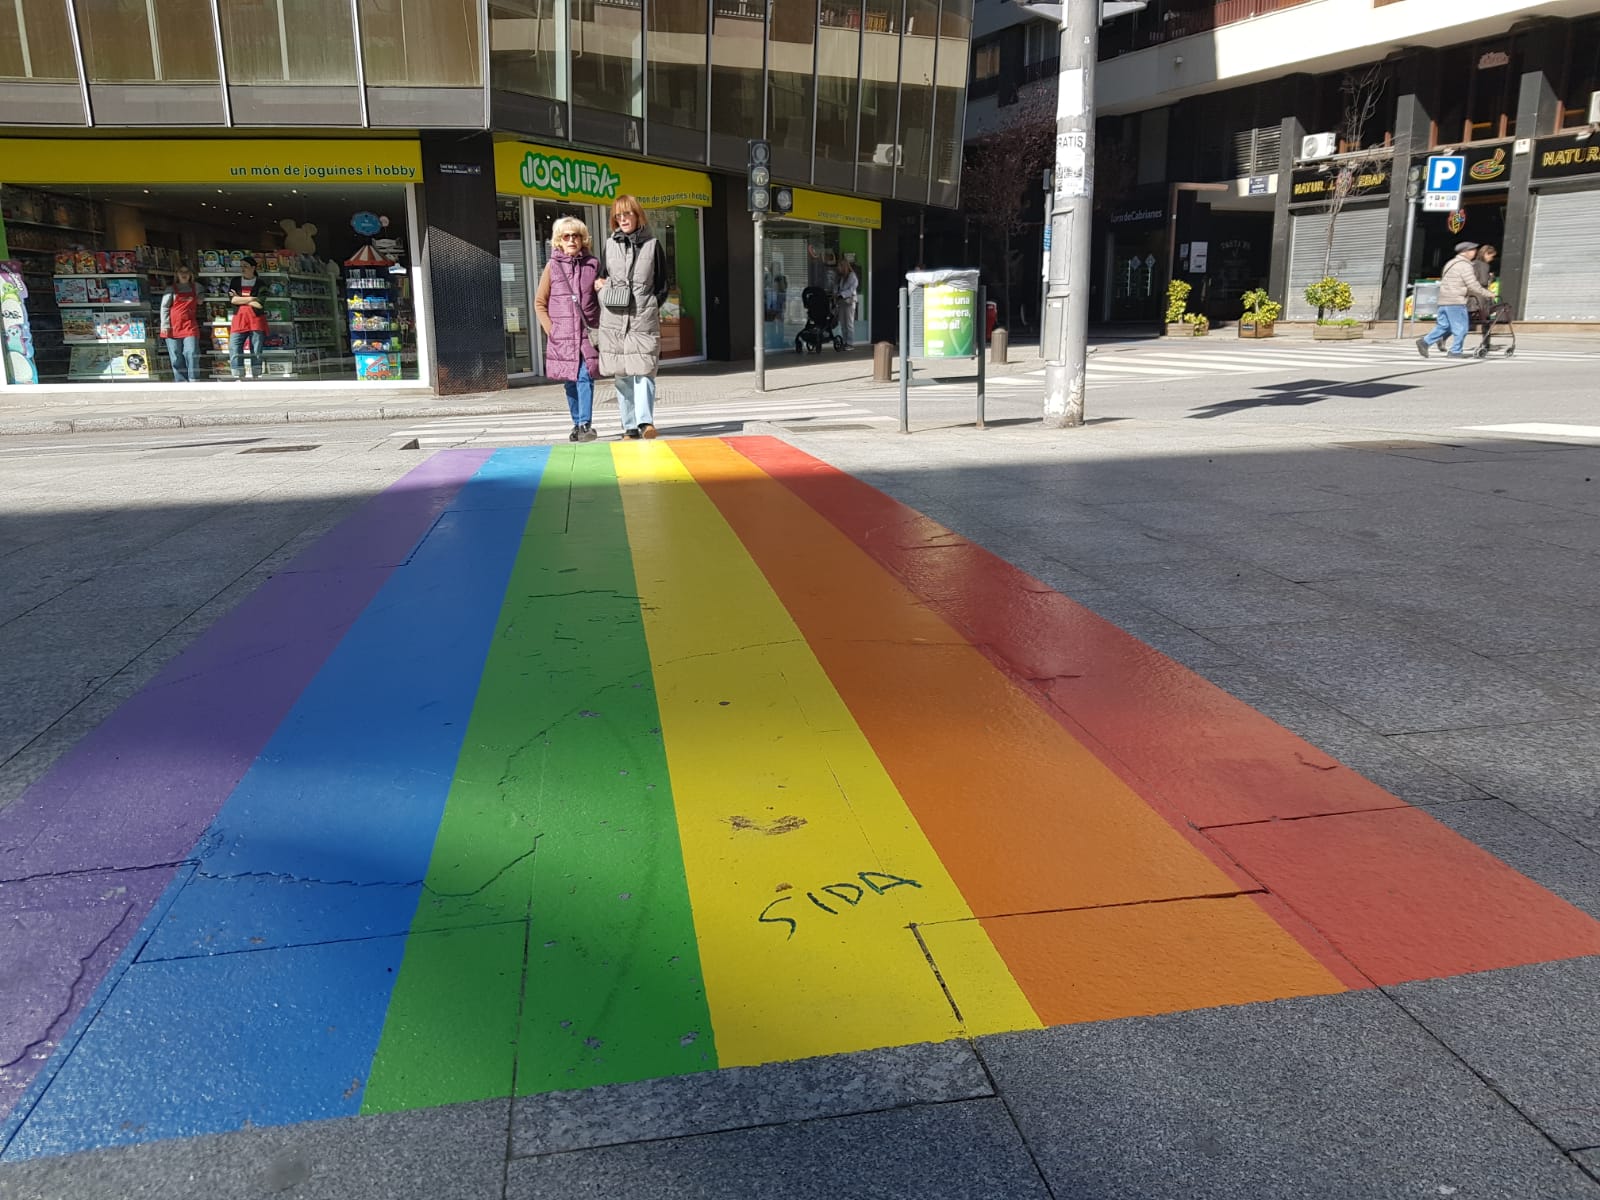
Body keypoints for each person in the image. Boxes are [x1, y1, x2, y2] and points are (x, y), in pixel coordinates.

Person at [594, 194, 667, 439]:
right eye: (618, 216)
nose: (623, 219)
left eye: (627, 214)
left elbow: (663, 284)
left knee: (644, 371)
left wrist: (650, 306)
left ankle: (645, 422)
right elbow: (603, 276)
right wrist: (601, 286)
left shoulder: (653, 245)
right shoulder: (609, 245)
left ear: (638, 215)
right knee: (623, 376)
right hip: (615, 320)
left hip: (642, 319)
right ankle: (629, 426)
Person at [535, 216, 602, 442]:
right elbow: (539, 303)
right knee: (569, 381)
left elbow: (599, 298)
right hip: (562, 337)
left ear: (583, 239)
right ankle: (576, 424)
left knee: (585, 376)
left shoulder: (593, 265)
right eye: (567, 236)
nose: (572, 240)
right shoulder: (552, 267)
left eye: (576, 236)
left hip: (585, 335)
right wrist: (551, 330)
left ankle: (585, 424)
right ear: (559, 241)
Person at [1417, 241, 1492, 360]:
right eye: (1472, 250)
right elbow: (1472, 284)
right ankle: (1455, 351)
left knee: (1444, 326)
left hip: (1443, 300)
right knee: (1461, 327)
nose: (1474, 253)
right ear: (1465, 252)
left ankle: (1425, 342)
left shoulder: (1450, 263)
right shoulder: (1465, 265)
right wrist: (1488, 293)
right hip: (1456, 301)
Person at [227, 256, 270, 380]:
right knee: (234, 347)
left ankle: (256, 374)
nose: (242, 269)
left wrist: (241, 299)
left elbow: (260, 304)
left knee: (256, 349)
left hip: (256, 320)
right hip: (239, 319)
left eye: (245, 266)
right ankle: (238, 375)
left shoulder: (261, 284)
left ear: (253, 268)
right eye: (241, 266)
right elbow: (233, 300)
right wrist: (252, 298)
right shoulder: (235, 281)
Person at [158, 263, 202, 382]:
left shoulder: (196, 287)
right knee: (176, 355)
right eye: (181, 272)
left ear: (191, 274)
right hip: (172, 326)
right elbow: (165, 307)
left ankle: (194, 379)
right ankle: (181, 381)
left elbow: (201, 299)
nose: (184, 274)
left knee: (192, 352)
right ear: (177, 274)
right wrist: (165, 325)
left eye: (186, 271)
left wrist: (201, 298)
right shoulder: (171, 289)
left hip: (189, 325)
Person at [1469, 243, 1499, 338]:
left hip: (1471, 296)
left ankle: (1443, 336)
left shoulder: (1473, 263)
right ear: (1486, 254)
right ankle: (1486, 344)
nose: (1492, 258)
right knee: (1486, 321)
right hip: (1480, 297)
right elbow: (1483, 281)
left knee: (1466, 319)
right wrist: (1490, 278)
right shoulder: (1484, 265)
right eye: (1491, 255)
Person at [834, 258, 860, 349]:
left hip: (849, 302)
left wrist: (842, 295)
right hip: (842, 303)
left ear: (844, 266)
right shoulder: (841, 277)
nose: (838, 268)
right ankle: (845, 342)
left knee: (849, 323)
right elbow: (838, 288)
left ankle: (850, 343)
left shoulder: (852, 276)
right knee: (843, 324)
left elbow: (851, 289)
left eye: (840, 266)